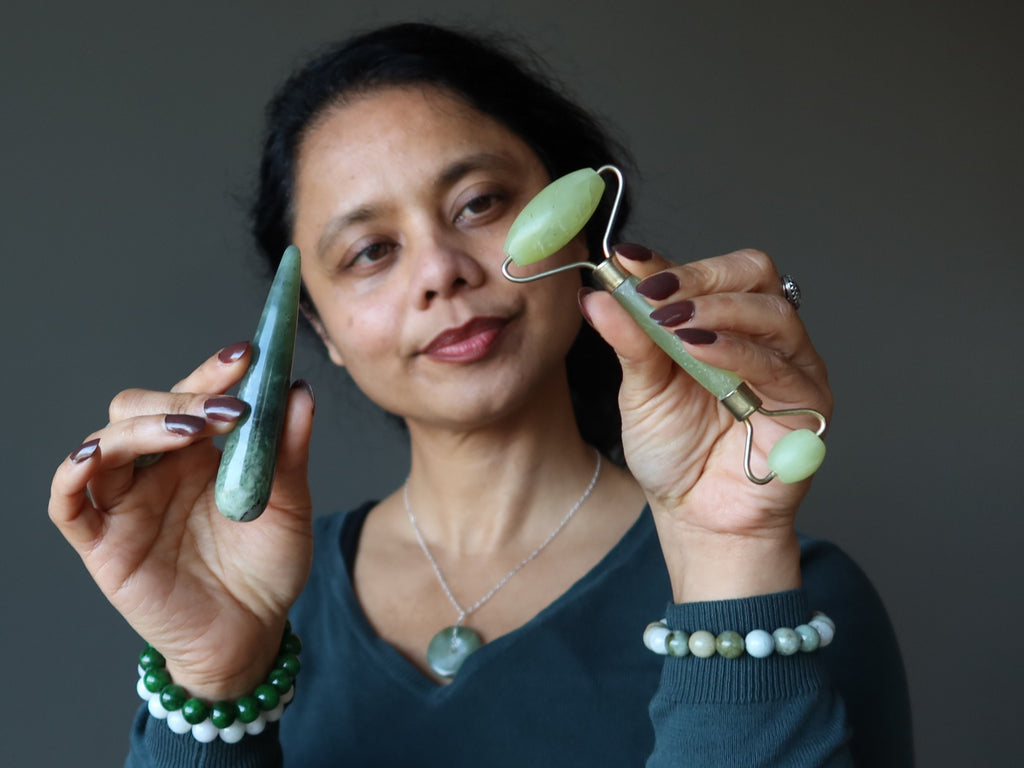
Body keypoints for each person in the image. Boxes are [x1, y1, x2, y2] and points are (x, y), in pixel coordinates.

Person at [48, 22, 912, 768]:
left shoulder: (792, 598)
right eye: (370, 252)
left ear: (575, 219)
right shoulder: (256, 602)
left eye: (479, 203)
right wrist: (212, 683)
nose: (440, 272)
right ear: (321, 333)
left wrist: (731, 563)